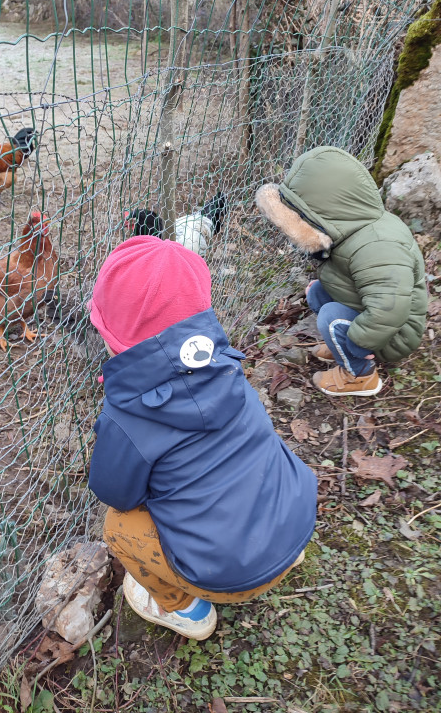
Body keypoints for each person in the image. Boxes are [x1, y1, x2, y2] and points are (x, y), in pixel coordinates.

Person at [87, 235, 317, 640]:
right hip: (296, 519)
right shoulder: (227, 365)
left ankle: (187, 610)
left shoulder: (126, 416)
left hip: (227, 574)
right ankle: (286, 554)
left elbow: (116, 494)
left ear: (109, 330)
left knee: (118, 527)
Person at [256, 146, 427, 397]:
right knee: (316, 292)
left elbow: (390, 310)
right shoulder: (354, 229)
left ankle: (360, 376)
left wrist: (359, 342)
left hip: (398, 333)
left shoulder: (377, 246)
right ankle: (342, 344)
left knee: (330, 316)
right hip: (382, 318)